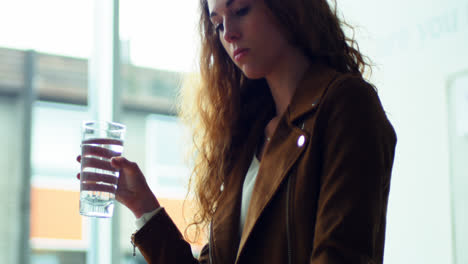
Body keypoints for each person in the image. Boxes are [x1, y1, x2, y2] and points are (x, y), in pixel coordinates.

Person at [78, 0, 397, 263]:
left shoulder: (345, 103)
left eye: (241, 10)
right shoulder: (247, 140)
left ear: (289, 8)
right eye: (217, 23)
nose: (228, 33)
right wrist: (143, 206)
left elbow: (341, 256)